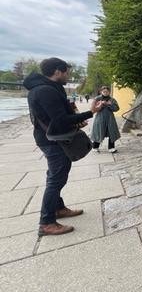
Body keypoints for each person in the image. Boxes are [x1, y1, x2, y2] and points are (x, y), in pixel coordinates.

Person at [23, 57, 99, 236]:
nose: (68, 74)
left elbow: (54, 118)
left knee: (57, 175)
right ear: (57, 71)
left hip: (50, 138)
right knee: (56, 179)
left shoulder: (44, 88)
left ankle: (58, 208)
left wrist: (76, 121)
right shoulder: (45, 91)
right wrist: (91, 112)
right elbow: (60, 120)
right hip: (52, 141)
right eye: (66, 71)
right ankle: (46, 222)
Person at [90, 86, 121, 153]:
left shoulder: (112, 99)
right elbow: (93, 108)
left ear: (109, 92)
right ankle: (95, 147)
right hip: (100, 118)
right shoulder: (97, 98)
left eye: (107, 91)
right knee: (98, 131)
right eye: (104, 91)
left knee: (111, 132)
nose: (105, 93)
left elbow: (117, 108)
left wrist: (109, 104)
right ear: (101, 92)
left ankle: (111, 147)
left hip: (110, 118)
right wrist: (100, 105)